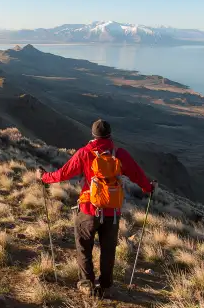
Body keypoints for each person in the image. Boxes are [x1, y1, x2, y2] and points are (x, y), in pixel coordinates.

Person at [36, 119, 155, 298]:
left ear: (93, 135)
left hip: (88, 210)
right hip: (112, 213)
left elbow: (63, 174)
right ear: (109, 135)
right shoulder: (119, 153)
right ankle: (106, 285)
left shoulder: (84, 153)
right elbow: (137, 174)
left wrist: (44, 177)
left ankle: (87, 283)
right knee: (108, 250)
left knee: (84, 247)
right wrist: (148, 188)